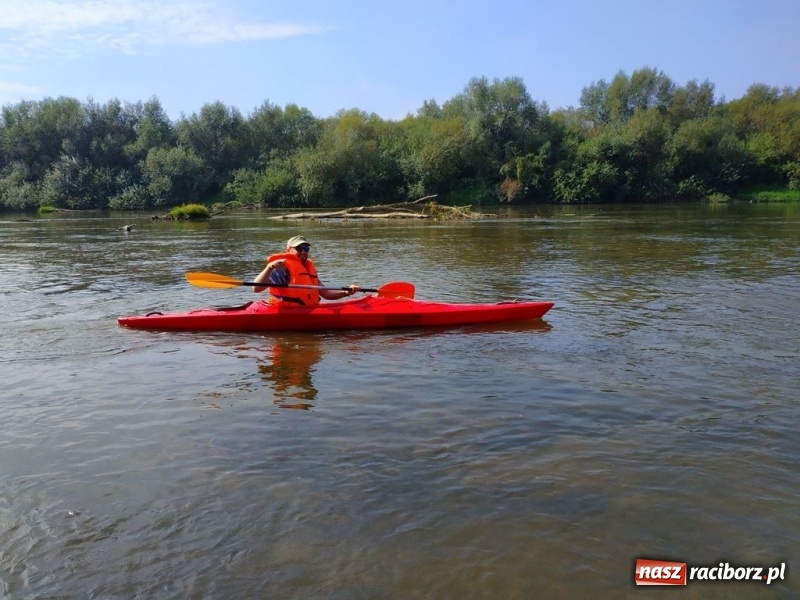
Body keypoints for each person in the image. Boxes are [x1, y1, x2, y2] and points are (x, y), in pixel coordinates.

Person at [252, 235, 360, 305]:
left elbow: (326, 293)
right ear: (289, 250)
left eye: (306, 248)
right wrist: (269, 267)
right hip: (287, 313)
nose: (303, 252)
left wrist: (346, 292)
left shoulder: (308, 267)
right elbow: (256, 289)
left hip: (307, 310)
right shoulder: (281, 267)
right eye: (299, 248)